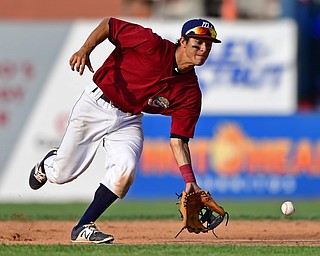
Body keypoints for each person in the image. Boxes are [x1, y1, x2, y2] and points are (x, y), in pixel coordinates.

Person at [29, 17, 221, 244]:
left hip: (128, 119)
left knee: (125, 171)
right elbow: (109, 24)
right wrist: (84, 50)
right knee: (62, 174)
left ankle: (83, 226)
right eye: (197, 43)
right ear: (182, 41)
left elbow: (178, 140)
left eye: (208, 45)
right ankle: (48, 163)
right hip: (96, 104)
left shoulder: (190, 93)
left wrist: (189, 181)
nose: (203, 49)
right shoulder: (151, 45)